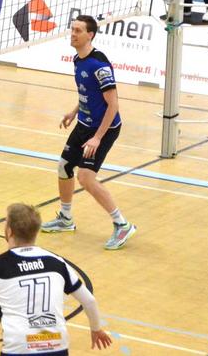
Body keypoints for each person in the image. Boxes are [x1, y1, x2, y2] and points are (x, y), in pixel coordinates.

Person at [0, 203, 113, 355]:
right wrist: (96, 329)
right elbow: (89, 300)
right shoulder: (57, 263)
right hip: (57, 345)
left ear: (9, 231)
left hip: (19, 347)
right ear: (36, 231)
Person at [41, 16, 136, 250]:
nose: (73, 34)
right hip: (84, 124)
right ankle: (65, 218)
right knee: (64, 166)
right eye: (72, 29)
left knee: (85, 177)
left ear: (90, 35)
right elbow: (88, 92)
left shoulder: (99, 66)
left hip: (104, 128)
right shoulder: (77, 59)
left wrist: (97, 138)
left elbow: (113, 105)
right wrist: (75, 111)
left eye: (78, 30)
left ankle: (122, 224)